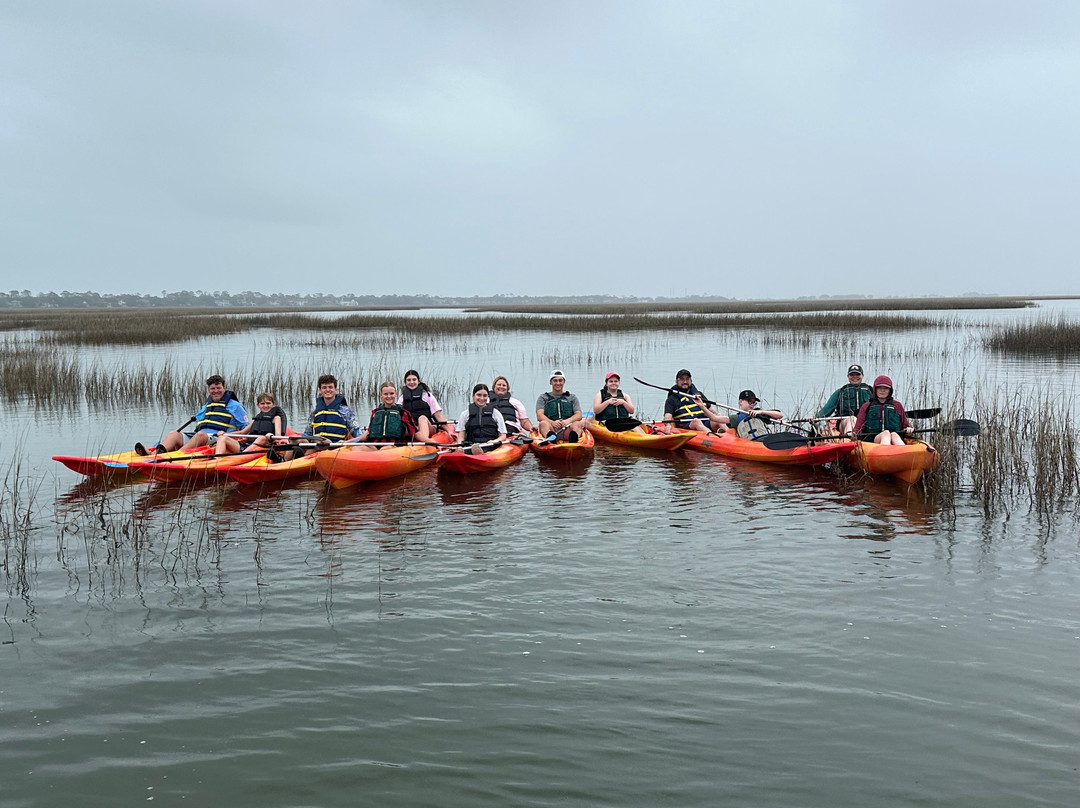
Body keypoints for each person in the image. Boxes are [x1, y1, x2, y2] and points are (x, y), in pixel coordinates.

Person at [141, 374, 249, 454]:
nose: (216, 391)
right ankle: (153, 453)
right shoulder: (207, 405)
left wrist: (237, 437)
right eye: (213, 389)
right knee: (174, 434)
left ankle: (176, 455)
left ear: (224, 388)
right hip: (200, 436)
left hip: (218, 438)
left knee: (200, 435)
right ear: (208, 390)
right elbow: (199, 420)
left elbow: (245, 427)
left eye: (218, 388)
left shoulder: (235, 406)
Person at [298, 374, 361, 455]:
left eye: (330, 387)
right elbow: (308, 433)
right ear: (320, 390)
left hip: (337, 448)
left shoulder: (345, 411)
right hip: (318, 446)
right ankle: (283, 461)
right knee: (296, 440)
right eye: (324, 387)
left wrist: (347, 442)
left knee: (310, 451)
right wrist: (294, 439)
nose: (327, 390)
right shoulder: (315, 412)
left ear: (336, 390)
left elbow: (357, 433)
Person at [214, 393, 287, 455]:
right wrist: (225, 433)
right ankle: (217, 459)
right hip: (249, 446)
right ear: (258, 405)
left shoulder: (276, 418)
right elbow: (242, 432)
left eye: (268, 403)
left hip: (264, 446)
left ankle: (241, 456)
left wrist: (270, 435)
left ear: (273, 404)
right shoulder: (255, 420)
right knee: (222, 438)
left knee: (262, 438)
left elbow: (278, 436)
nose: (265, 406)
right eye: (262, 403)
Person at [661, 369, 728, 433]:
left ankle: (731, 436)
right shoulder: (672, 399)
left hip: (704, 422)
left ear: (691, 381)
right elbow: (667, 416)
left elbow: (710, 410)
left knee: (719, 416)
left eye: (687, 379)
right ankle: (714, 438)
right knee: (696, 421)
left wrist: (718, 416)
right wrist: (668, 425)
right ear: (676, 381)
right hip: (687, 426)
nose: (685, 382)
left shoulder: (699, 394)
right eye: (682, 379)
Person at [853, 375, 914, 445]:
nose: (882, 390)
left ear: (890, 390)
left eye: (886, 388)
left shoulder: (897, 405)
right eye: (879, 388)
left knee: (894, 435)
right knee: (886, 434)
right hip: (873, 440)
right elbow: (858, 429)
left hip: (895, 437)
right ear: (875, 389)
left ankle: (903, 452)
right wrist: (854, 434)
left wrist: (909, 430)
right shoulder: (866, 406)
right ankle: (886, 453)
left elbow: (905, 426)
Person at [816, 364, 873, 436]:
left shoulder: (871, 391)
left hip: (865, 423)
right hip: (845, 422)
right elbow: (827, 409)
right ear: (848, 377)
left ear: (862, 376)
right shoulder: (840, 392)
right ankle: (849, 441)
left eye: (857, 374)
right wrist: (815, 418)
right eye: (852, 375)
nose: (855, 377)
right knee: (851, 420)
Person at [397, 370, 453, 441]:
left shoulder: (427, 395)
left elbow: (438, 416)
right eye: (409, 380)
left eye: (414, 380)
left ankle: (424, 439)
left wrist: (449, 431)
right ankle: (421, 439)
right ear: (405, 382)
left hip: (428, 426)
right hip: (413, 428)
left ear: (419, 381)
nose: (411, 382)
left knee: (422, 418)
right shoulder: (402, 398)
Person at [455, 384, 507, 454]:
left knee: (479, 449)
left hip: (490, 446)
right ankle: (464, 452)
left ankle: (479, 453)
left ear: (488, 397)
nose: (482, 398)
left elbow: (503, 436)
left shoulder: (496, 413)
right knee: (472, 448)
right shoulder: (465, 414)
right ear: (473, 396)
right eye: (479, 395)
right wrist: (460, 445)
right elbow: (461, 435)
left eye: (485, 396)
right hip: (470, 445)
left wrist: (494, 441)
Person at [535, 369, 586, 442]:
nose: (558, 383)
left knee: (577, 424)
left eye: (560, 380)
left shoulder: (572, 397)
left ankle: (573, 442)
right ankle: (551, 439)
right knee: (543, 423)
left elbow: (578, 415)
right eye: (555, 381)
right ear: (550, 382)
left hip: (567, 428)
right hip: (551, 427)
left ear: (564, 382)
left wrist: (567, 421)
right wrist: (552, 422)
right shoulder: (543, 397)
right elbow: (539, 415)